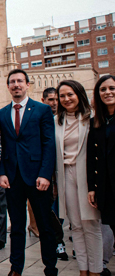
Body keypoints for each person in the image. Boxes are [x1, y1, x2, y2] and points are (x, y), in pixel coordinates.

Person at [0, 69, 57, 276]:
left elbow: (49, 144)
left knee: (44, 225)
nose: (16, 85)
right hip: (12, 178)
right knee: (17, 228)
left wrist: (45, 174)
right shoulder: (2, 113)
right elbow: (2, 146)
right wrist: (2, 173)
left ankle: (50, 267)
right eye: (12, 82)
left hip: (37, 177)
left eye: (20, 81)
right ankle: (16, 268)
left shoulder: (41, 110)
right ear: (8, 86)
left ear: (27, 84)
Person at [54, 80, 102, 276]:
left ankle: (96, 271)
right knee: (75, 226)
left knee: (91, 224)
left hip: (87, 175)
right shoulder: (56, 120)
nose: (66, 99)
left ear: (79, 95)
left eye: (70, 94)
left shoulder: (92, 118)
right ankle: (83, 270)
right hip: (65, 174)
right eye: (62, 96)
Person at [41, 87, 69, 261]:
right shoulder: (43, 119)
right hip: (50, 174)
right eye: (51, 99)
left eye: (56, 99)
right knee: (53, 210)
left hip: (69, 171)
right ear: (44, 100)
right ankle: (58, 243)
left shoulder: (68, 120)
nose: (55, 102)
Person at [88, 75, 115, 243]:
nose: (108, 92)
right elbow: (92, 158)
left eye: (112, 88)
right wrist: (92, 188)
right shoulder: (96, 123)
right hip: (107, 187)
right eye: (103, 89)